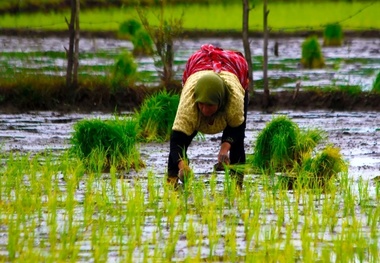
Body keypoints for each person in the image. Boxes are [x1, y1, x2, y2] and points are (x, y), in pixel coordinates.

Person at [167, 44, 250, 188]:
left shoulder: (234, 100)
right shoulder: (189, 104)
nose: (205, 110)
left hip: (232, 74)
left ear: (220, 102)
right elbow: (176, 142)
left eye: (210, 105)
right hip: (197, 72)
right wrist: (182, 165)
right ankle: (171, 181)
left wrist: (225, 147)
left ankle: (237, 184)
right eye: (202, 105)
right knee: (183, 140)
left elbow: (237, 129)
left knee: (237, 143)